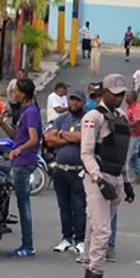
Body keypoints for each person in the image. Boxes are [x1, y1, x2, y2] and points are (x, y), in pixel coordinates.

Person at [79, 74, 136, 278]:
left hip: (116, 178)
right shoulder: (93, 117)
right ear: (104, 93)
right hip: (98, 178)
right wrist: (99, 180)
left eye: (122, 94)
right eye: (115, 94)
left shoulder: (121, 117)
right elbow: (86, 154)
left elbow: (121, 154)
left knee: (95, 230)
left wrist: (127, 181)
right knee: (102, 232)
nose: (119, 98)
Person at [0, 78, 42, 258]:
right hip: (19, 161)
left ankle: (27, 245)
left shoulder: (31, 112)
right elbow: (17, 136)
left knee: (24, 205)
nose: (13, 94)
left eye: (16, 91)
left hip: (24, 162)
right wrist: (2, 123)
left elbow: (33, 139)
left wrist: (18, 150)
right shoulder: (25, 111)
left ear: (23, 94)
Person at [44, 90, 87, 255]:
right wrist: (69, 139)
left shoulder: (86, 118)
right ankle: (66, 238)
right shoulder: (62, 118)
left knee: (79, 207)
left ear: (83, 102)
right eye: (71, 100)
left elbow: (82, 137)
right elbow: (49, 139)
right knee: (64, 207)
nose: (73, 103)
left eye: (77, 100)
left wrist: (61, 134)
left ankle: (80, 240)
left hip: (79, 171)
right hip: (61, 169)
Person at [124, 90, 140, 184]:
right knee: (134, 156)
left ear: (132, 97)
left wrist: (127, 125)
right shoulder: (130, 106)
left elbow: (137, 121)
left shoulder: (136, 107)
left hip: (134, 135)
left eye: (127, 96)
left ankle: (126, 177)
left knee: (127, 156)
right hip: (131, 134)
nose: (125, 98)